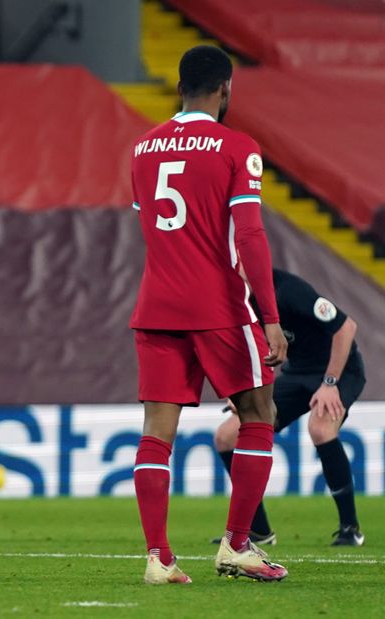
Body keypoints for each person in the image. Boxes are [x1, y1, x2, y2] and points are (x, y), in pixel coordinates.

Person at [129, 45, 289, 584]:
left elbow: (153, 224)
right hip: (217, 305)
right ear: (225, 90)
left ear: (179, 88)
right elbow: (248, 233)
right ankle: (238, 546)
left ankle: (159, 557)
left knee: (156, 431)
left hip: (156, 304)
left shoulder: (143, 148)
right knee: (259, 413)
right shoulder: (236, 147)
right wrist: (268, 316)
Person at [214, 268, 366, 546]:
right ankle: (258, 531)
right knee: (227, 436)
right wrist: (240, 392)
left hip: (340, 371)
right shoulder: (241, 300)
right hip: (297, 374)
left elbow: (346, 328)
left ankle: (350, 529)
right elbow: (249, 349)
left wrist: (330, 383)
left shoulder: (288, 290)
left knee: (320, 428)